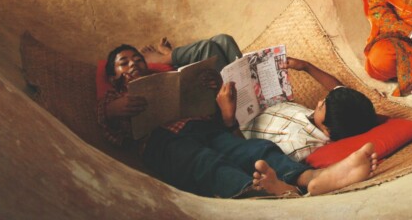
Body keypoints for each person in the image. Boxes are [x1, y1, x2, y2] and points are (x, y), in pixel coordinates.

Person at [98, 43, 378, 198]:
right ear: (113, 75)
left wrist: (208, 88)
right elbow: (112, 134)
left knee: (255, 151)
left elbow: (216, 117)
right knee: (201, 161)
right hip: (162, 140)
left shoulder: (168, 80)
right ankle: (253, 192)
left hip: (204, 127)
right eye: (124, 62)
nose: (134, 63)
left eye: (137, 59)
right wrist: (112, 111)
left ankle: (313, 177)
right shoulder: (115, 96)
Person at [240, 56, 379, 162]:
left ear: (327, 131)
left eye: (322, 105)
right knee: (226, 43)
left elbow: (250, 155)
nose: (319, 102)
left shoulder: (301, 146)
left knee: (221, 44)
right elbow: (338, 89)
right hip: (255, 104)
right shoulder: (337, 118)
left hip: (237, 124)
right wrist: (306, 66)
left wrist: (230, 121)